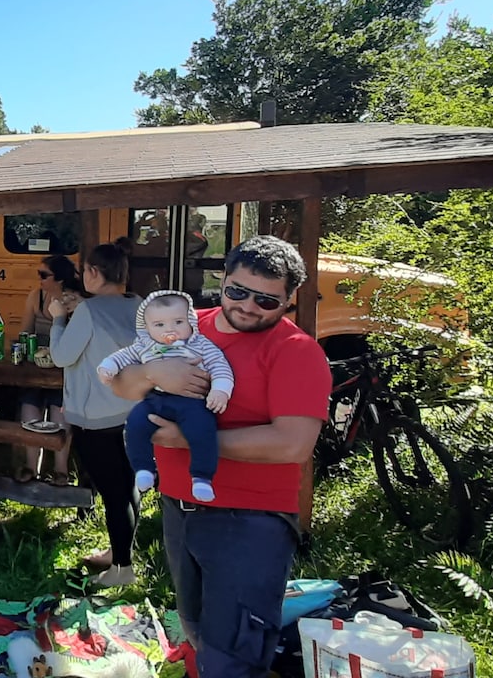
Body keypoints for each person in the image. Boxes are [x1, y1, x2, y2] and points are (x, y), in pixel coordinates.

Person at [110, 235, 331, 677]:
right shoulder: (186, 328)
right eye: (238, 291)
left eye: (267, 299)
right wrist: (153, 371)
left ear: (290, 299)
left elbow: (292, 443)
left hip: (251, 519)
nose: (248, 306)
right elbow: (120, 384)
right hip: (179, 507)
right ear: (222, 280)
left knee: (233, 654)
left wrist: (190, 441)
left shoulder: (297, 351)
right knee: (196, 630)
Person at [48, 237, 144, 587]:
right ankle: (122, 553)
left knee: (113, 494)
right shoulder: (139, 305)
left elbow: (62, 356)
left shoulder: (88, 311)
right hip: (134, 413)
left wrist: (59, 319)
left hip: (96, 418)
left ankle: (122, 570)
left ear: (91, 272)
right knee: (128, 487)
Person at [96, 290, 234, 502]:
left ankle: (202, 477)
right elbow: (122, 356)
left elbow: (220, 366)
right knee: (134, 424)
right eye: (159, 325)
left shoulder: (201, 345)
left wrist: (220, 390)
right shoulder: (145, 346)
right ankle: (143, 469)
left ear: (191, 321)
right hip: (156, 400)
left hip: (193, 402)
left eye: (178, 322)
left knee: (203, 431)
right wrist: (107, 367)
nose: (169, 329)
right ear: (147, 328)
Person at [15, 254, 84, 486]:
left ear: (61, 279)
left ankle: (60, 469)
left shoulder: (75, 302)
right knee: (29, 407)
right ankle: (31, 466)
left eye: (44, 275)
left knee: (59, 410)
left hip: (65, 366)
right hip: (38, 364)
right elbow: (25, 332)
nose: (40, 280)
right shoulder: (36, 296)